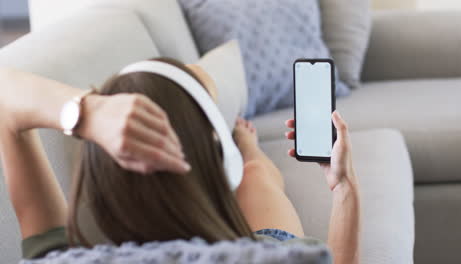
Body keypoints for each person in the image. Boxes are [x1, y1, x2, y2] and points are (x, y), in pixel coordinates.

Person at [0, 58, 360, 264]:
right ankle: (247, 147)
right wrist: (344, 186)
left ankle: (238, 140)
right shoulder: (282, 257)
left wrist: (90, 113)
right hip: (256, 238)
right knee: (256, 177)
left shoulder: (59, 262)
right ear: (220, 165)